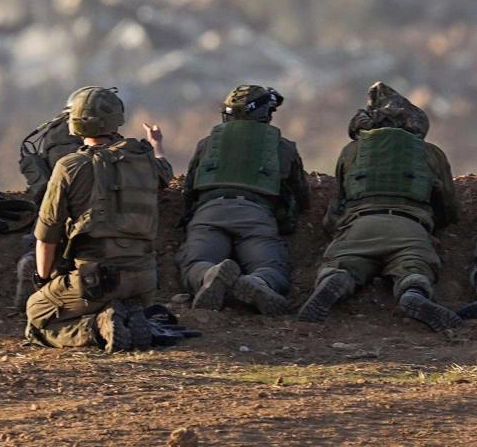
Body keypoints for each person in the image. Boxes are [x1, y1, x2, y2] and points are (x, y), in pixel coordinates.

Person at [297, 82, 461, 331]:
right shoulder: (431, 153)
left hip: (360, 225)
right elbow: (449, 208)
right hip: (410, 227)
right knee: (415, 268)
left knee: (343, 264)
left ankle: (336, 279)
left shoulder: (351, 150)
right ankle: (412, 293)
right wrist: (429, 226)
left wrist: (336, 230)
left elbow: (337, 204)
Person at [24, 86, 172, 352]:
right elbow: (165, 172)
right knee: (114, 295)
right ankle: (128, 311)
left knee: (37, 314)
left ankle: (99, 327)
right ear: (116, 121)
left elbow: (46, 237)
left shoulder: (69, 166)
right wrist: (156, 143)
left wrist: (44, 280)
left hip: (96, 281)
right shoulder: (146, 160)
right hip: (144, 279)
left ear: (75, 123)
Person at [176, 85, 309, 315]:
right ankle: (258, 282)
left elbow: (189, 191)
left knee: (195, 263)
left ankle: (209, 275)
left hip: (209, 212)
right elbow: (300, 196)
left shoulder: (207, 143)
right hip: (255, 215)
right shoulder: (283, 147)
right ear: (265, 114)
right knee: (271, 268)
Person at [14, 102, 84, 310]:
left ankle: (37, 267)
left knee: (41, 234)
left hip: (53, 214)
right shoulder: (110, 146)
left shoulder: (52, 137)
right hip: (97, 225)